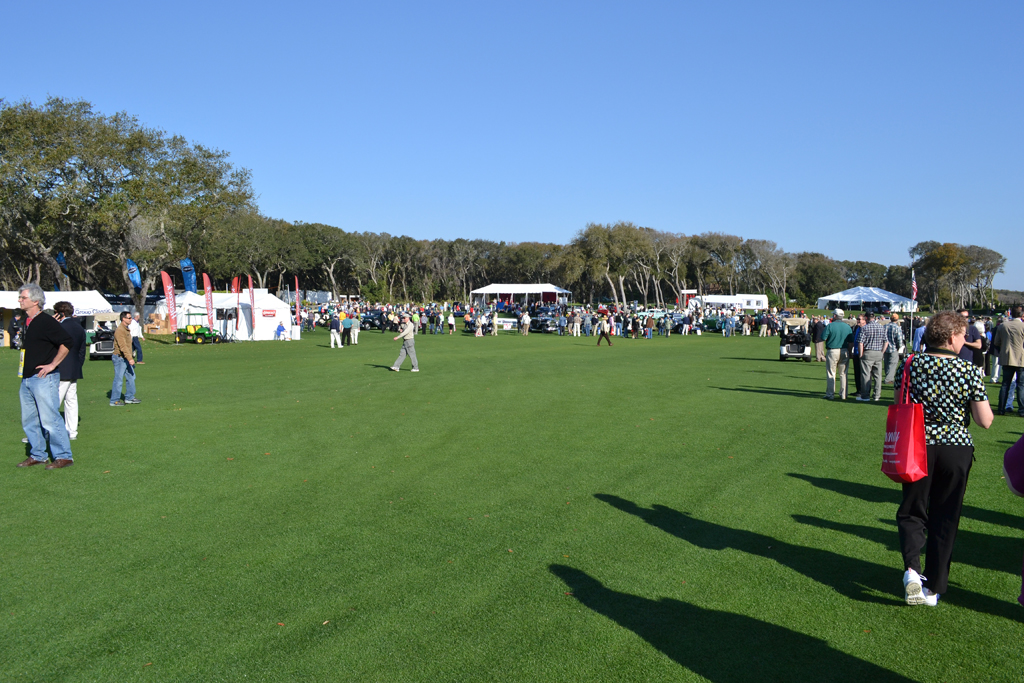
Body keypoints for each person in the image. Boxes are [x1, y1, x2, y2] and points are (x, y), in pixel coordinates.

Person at [894, 311, 993, 606]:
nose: (965, 341)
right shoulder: (968, 370)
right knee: (945, 516)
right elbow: (985, 420)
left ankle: (912, 570)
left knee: (912, 510)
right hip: (955, 448)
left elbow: (900, 404)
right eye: (963, 335)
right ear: (951, 338)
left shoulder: (909, 364)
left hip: (917, 445)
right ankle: (933, 587)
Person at [15, 284, 75, 469]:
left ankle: (64, 456)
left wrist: (53, 365)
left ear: (35, 301)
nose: (19, 300)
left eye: (23, 297)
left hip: (43, 378)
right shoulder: (28, 321)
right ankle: (38, 455)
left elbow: (67, 342)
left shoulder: (46, 321)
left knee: (50, 418)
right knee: (29, 420)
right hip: (27, 378)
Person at [53, 301, 86, 441]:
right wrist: (77, 365)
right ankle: (72, 431)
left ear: (60, 313)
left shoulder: (59, 327)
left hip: (61, 368)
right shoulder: (79, 328)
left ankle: (49, 431)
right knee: (71, 401)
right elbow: (82, 351)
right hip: (74, 368)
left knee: (55, 401)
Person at [994, 305, 1024, 416]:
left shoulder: (1003, 325)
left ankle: (1001, 408)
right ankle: (1021, 410)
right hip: (1021, 358)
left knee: (1005, 384)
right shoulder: (1022, 326)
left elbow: (996, 342)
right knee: (1021, 385)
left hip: (1007, 357)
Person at [822, 309, 853, 400]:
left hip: (833, 350)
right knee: (843, 373)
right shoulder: (847, 326)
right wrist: (850, 352)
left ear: (835, 316)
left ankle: (830, 394)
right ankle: (843, 394)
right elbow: (851, 341)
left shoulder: (830, 326)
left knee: (831, 373)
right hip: (844, 350)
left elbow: (823, 337)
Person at [857, 312, 888, 401]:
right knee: (878, 376)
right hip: (878, 353)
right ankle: (877, 395)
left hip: (868, 352)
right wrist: (882, 352)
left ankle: (865, 395)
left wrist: (861, 354)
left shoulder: (864, 328)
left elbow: (861, 343)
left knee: (866, 375)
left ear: (866, 318)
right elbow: (886, 342)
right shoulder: (881, 327)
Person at [111, 311, 140, 406]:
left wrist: (130, 357)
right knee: (119, 379)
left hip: (126, 357)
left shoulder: (126, 329)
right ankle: (114, 400)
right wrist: (130, 358)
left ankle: (129, 397)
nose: (131, 319)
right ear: (123, 319)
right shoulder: (120, 330)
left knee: (131, 377)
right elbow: (122, 346)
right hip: (120, 358)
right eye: (129, 318)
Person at [883, 314, 905, 383]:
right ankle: (888, 379)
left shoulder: (885, 326)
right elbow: (899, 339)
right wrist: (899, 347)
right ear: (897, 319)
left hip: (885, 347)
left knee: (886, 364)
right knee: (892, 364)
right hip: (894, 348)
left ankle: (888, 376)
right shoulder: (897, 328)